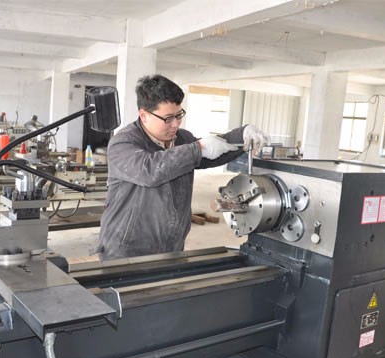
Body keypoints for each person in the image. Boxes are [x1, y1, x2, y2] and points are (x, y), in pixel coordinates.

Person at [95, 74, 271, 260]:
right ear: (144, 115)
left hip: (172, 246)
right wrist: (198, 149)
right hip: (127, 249)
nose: (176, 124)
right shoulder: (123, 143)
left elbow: (212, 153)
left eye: (178, 115)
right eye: (168, 118)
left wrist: (242, 136)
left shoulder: (182, 139)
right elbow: (149, 170)